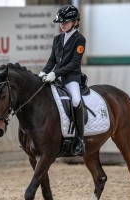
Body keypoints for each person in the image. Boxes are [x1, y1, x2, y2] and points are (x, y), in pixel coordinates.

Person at [38, 5, 86, 156]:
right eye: (61, 22)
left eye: (65, 22)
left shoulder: (80, 39)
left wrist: (56, 73)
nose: (62, 24)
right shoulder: (57, 39)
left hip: (71, 78)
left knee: (76, 101)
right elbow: (52, 59)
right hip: (56, 78)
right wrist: (44, 72)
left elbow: (74, 63)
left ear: (74, 22)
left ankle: (80, 140)